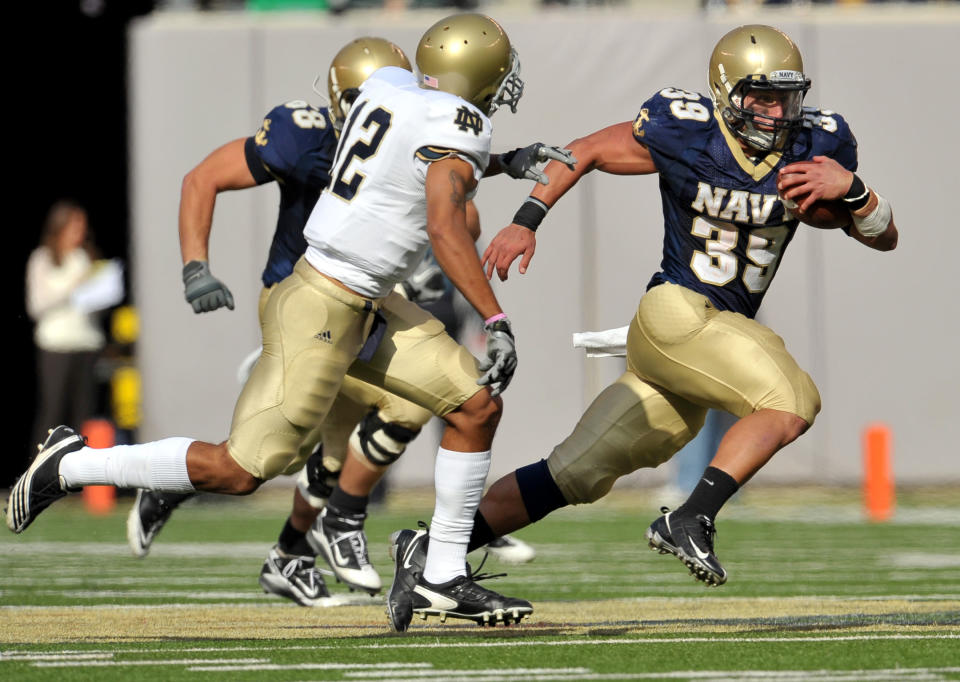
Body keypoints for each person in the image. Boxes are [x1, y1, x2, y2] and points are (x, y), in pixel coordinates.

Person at [6, 13, 566, 631]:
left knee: (475, 404)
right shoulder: (460, 122)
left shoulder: (388, 87)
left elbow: (411, 154)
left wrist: (504, 159)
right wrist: (496, 316)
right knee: (239, 469)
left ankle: (439, 573)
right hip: (324, 303)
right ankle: (70, 464)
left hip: (366, 298)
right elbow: (443, 221)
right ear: (476, 72)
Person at [388, 24, 899, 601]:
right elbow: (583, 152)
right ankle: (691, 518)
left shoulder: (819, 143)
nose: (775, 110)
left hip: (708, 342)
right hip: (676, 313)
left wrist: (856, 191)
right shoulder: (689, 130)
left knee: (574, 475)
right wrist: (526, 220)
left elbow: (882, 238)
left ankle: (431, 550)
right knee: (791, 400)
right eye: (760, 95)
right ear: (726, 92)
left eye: (785, 96)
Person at [124, 37, 542, 607]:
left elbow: (458, 219)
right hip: (303, 293)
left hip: (370, 297)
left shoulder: (411, 127)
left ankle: (290, 542)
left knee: (311, 445)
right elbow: (203, 178)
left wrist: (482, 174)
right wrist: (196, 265)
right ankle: (333, 524)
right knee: (342, 429)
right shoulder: (306, 137)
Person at [26, 202, 108, 447]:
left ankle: (79, 478)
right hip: (56, 345)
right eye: (74, 225)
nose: (80, 231)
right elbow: (37, 305)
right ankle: (41, 473)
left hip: (87, 342)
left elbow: (98, 306)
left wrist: (99, 292)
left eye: (82, 226)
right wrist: (74, 286)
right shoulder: (42, 259)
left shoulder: (87, 257)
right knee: (54, 411)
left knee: (83, 414)